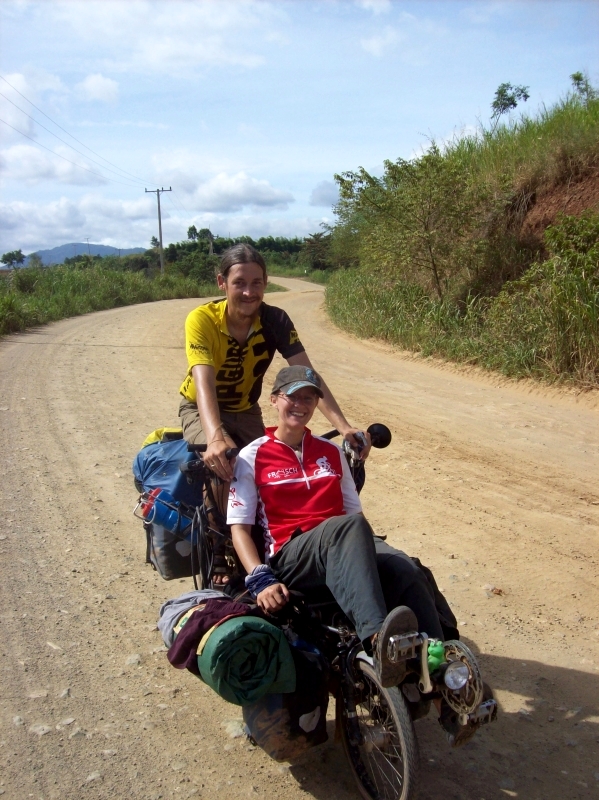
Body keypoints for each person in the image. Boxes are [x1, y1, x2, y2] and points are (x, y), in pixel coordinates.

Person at [227, 364, 452, 689]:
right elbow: (239, 530)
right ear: (275, 399)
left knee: (407, 568)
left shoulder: (331, 452)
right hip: (293, 555)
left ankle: (442, 670)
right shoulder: (251, 457)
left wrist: (382, 555)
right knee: (346, 528)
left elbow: (354, 516)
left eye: (310, 398)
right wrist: (260, 578)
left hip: (343, 542)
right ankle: (378, 641)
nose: (301, 405)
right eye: (293, 397)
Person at [178, 243, 370, 485]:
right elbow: (203, 382)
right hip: (198, 407)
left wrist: (344, 427)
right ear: (221, 282)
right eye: (239, 283)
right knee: (227, 468)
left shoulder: (276, 320)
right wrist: (215, 437)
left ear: (265, 282)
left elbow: (309, 377)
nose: (249, 292)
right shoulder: (202, 320)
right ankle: (214, 523)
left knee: (270, 471)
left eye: (256, 283)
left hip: (245, 409)